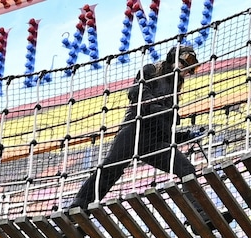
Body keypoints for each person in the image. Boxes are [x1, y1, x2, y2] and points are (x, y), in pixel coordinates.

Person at [69, 45, 212, 219]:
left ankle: (202, 215)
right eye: (186, 62)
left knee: (185, 167)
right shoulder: (152, 70)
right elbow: (136, 92)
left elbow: (166, 132)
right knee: (110, 169)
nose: (187, 70)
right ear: (175, 57)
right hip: (135, 130)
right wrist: (157, 108)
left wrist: (185, 135)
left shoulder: (174, 89)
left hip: (153, 141)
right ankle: (78, 209)